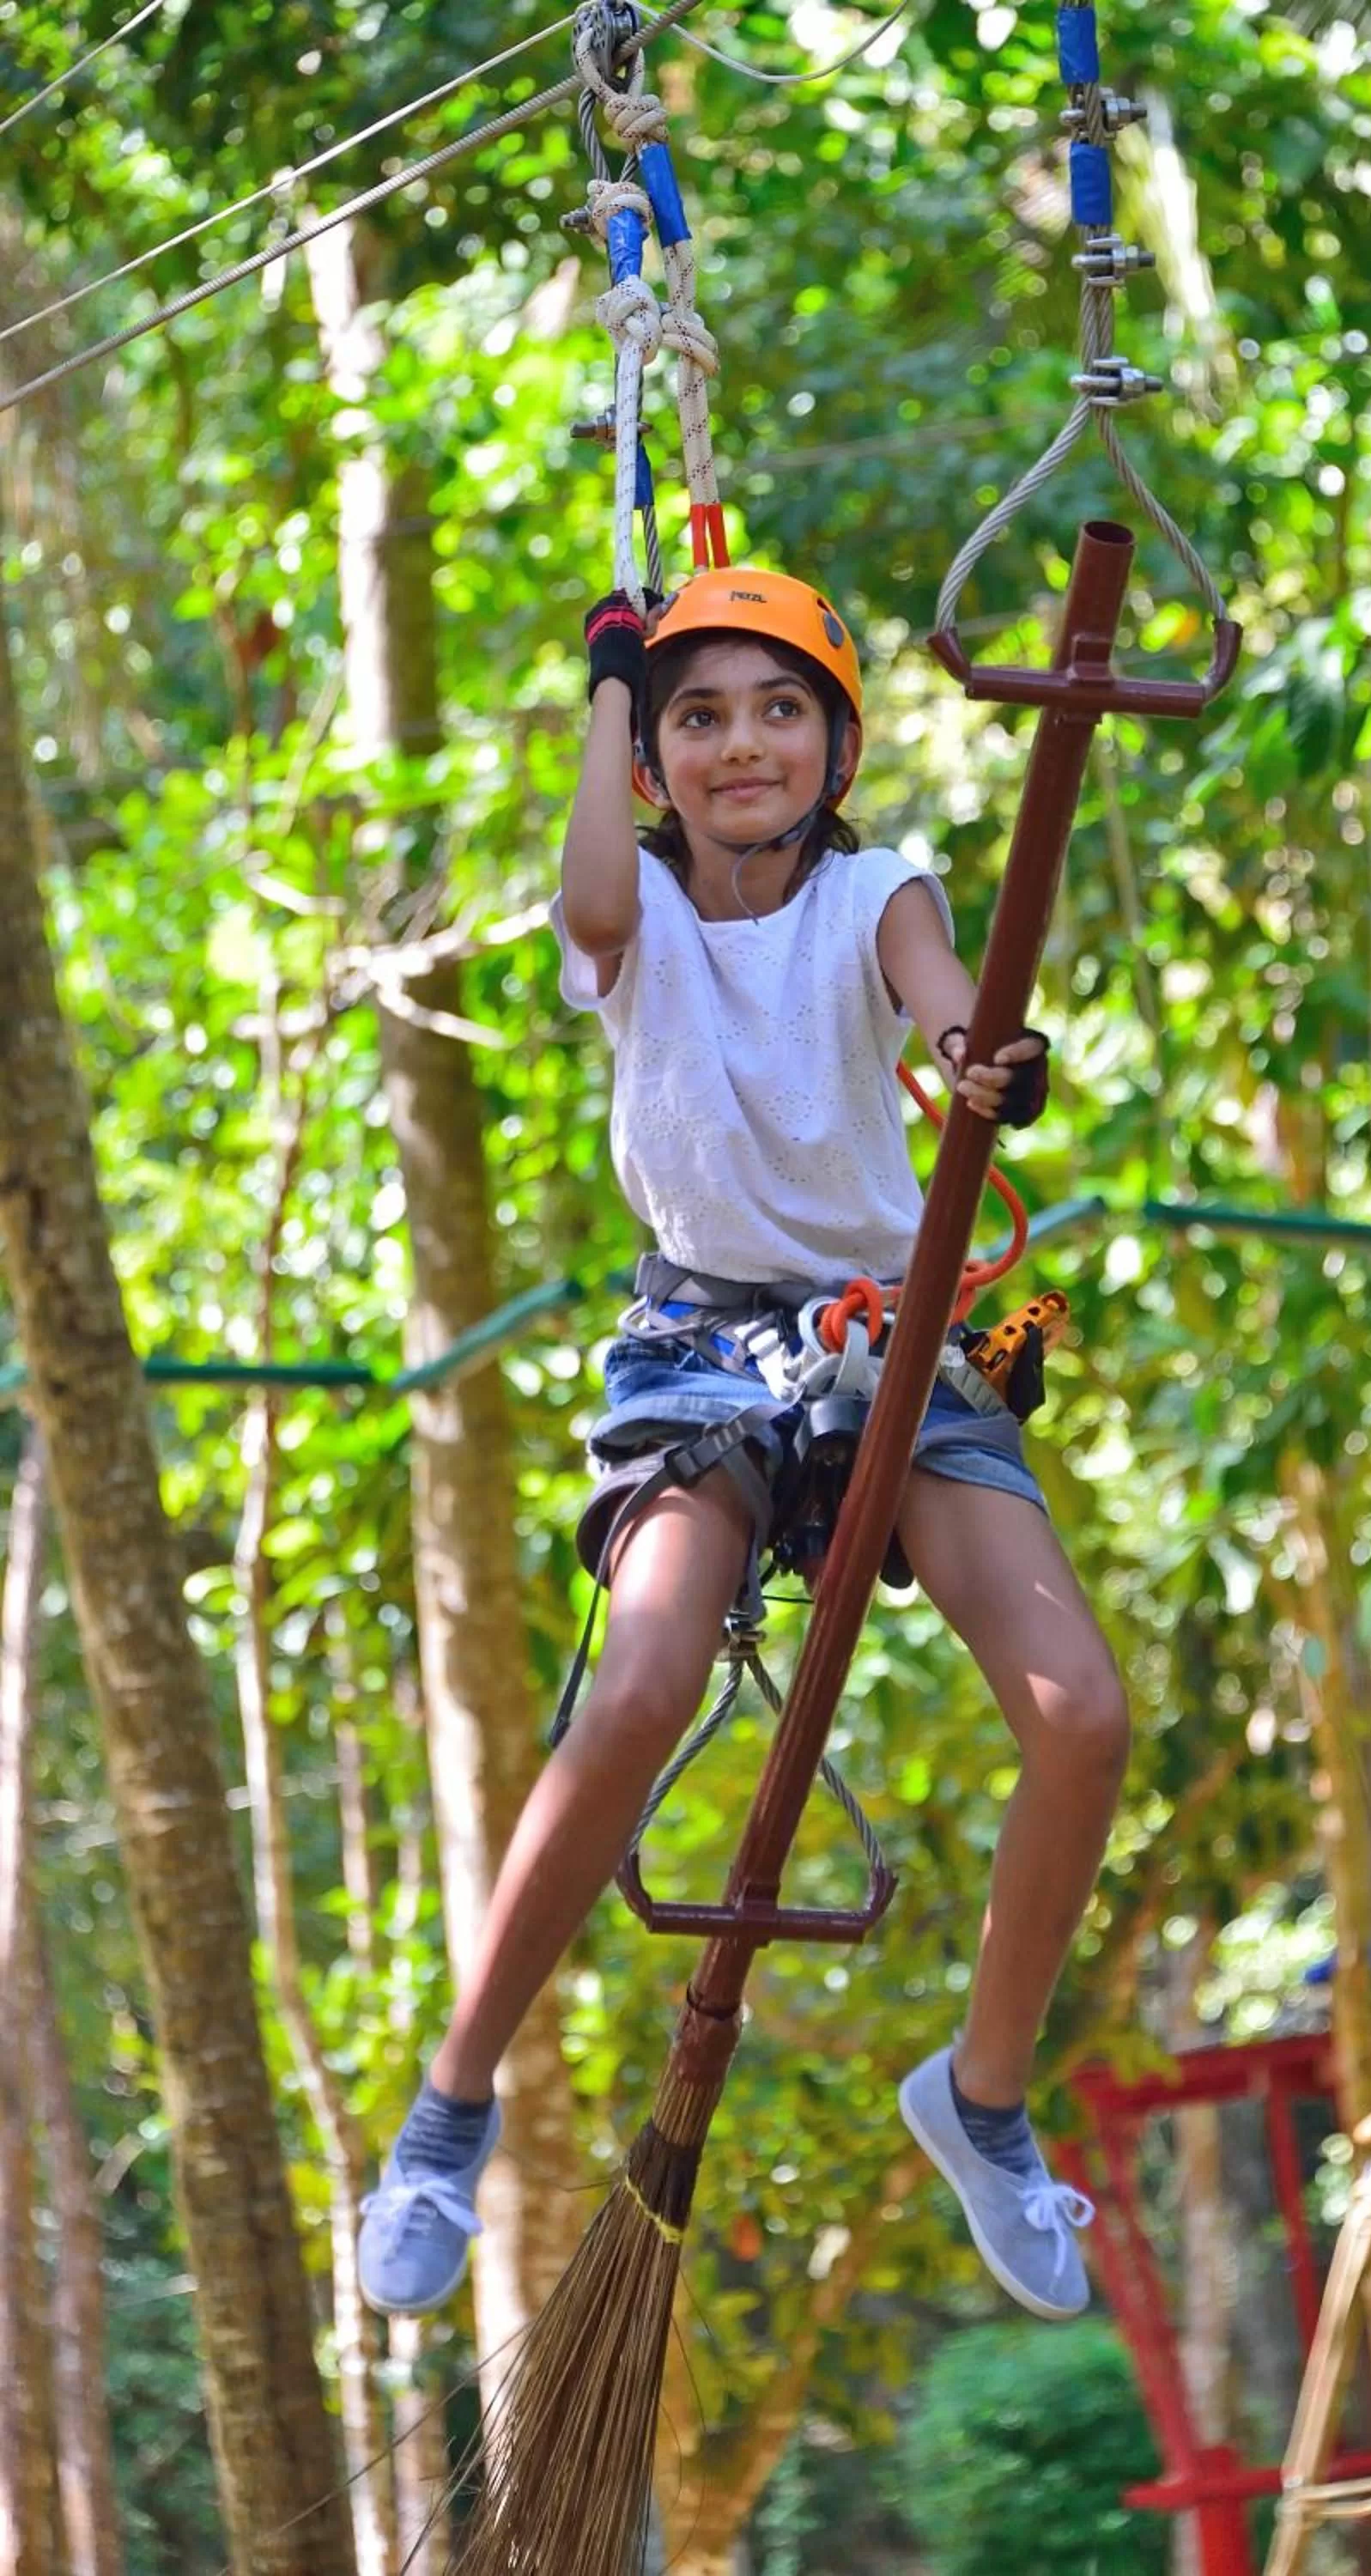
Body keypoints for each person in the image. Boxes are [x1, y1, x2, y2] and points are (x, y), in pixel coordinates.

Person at [357, 569, 1129, 2324]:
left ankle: (985, 2098)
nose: (742, 747)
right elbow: (581, 886)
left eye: (779, 711)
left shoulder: (875, 887)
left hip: (894, 1333)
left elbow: (940, 989)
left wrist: (981, 1057)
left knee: (1083, 1714)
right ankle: (451, 2103)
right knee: (636, 1693)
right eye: (698, 719)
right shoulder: (625, 906)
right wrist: (606, 686)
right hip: (701, 1341)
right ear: (649, 759)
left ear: (836, 742)